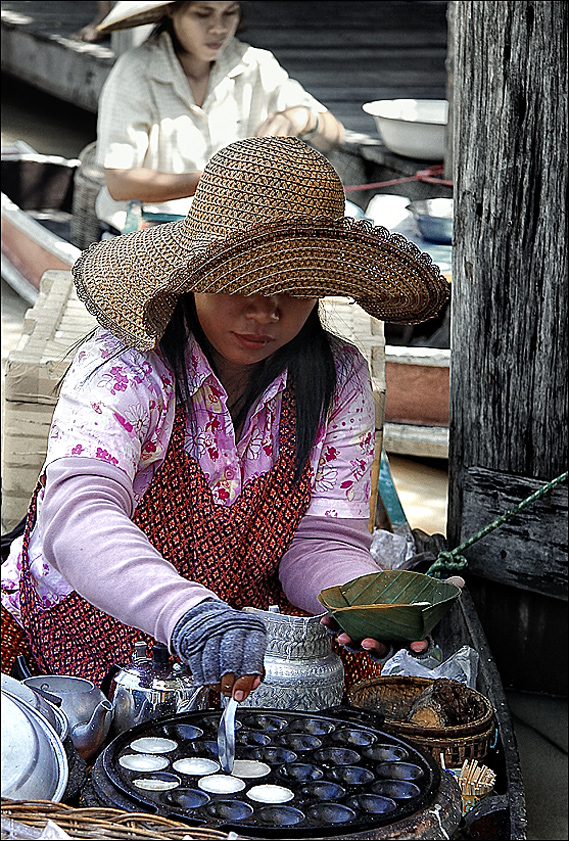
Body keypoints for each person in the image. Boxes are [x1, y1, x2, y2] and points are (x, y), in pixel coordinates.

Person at [1, 137, 450, 702]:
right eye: (243, 285)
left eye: (296, 289)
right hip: (93, 605)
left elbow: (320, 538)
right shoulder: (126, 365)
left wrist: (365, 600)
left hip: (241, 614)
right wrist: (191, 614)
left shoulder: (339, 378)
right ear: (191, 275)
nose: (266, 313)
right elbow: (79, 518)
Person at [94, 0, 345, 234]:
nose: (218, 28)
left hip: (234, 235)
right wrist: (220, 180)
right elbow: (119, 183)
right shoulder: (136, 72)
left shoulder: (256, 65)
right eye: (203, 14)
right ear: (172, 11)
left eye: (230, 12)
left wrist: (303, 118)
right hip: (148, 233)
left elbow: (335, 137)